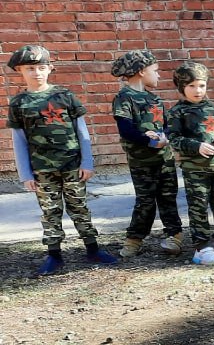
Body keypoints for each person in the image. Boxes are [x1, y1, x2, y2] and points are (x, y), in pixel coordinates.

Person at [6, 45, 117, 277]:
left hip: (73, 166)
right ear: (20, 70)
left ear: (50, 69)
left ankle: (93, 249)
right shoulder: (19, 103)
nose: (37, 73)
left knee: (80, 208)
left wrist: (87, 162)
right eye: (30, 68)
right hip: (42, 170)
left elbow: (82, 131)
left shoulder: (65, 96)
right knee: (50, 212)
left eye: (41, 68)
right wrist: (25, 174)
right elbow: (19, 140)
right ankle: (54, 255)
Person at [109, 49, 184, 259]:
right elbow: (125, 128)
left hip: (165, 159)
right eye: (155, 70)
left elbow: (167, 125)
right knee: (145, 201)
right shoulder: (124, 98)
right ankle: (134, 240)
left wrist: (166, 138)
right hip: (141, 162)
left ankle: (175, 236)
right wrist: (149, 141)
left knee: (168, 198)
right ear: (141, 71)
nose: (158, 75)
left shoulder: (155, 99)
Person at [167, 61, 214, 266]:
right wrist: (195, 146)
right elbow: (174, 138)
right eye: (191, 86)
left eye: (201, 85)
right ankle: (202, 247)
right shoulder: (177, 112)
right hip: (195, 169)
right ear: (181, 87)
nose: (198, 90)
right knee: (198, 207)